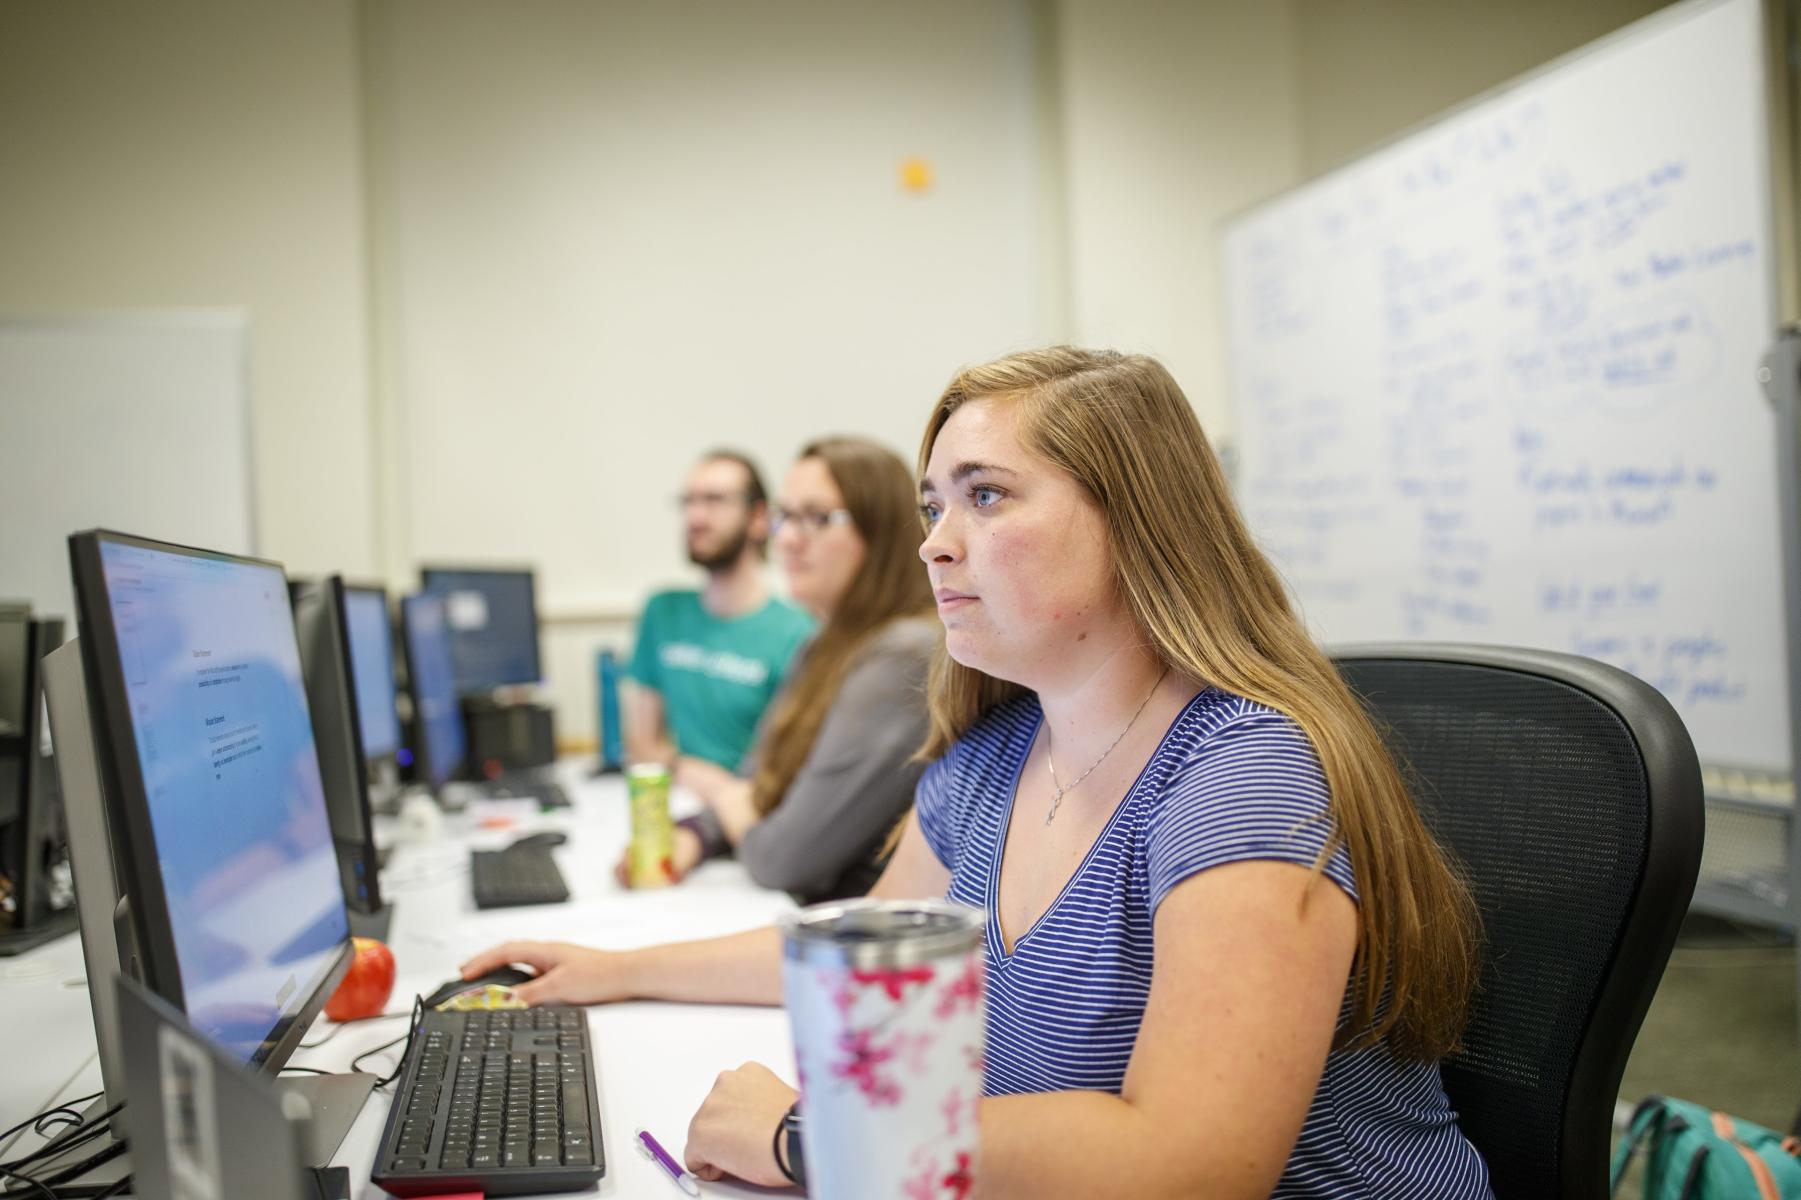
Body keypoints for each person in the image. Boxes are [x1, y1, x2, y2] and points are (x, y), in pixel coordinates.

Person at [464, 349, 1492, 1198]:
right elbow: (853, 952)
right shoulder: (993, 755)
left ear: (1137, 520)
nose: (934, 546)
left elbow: (1194, 1166)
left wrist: (815, 1139)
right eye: (930, 506)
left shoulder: (1240, 775)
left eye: (985, 498)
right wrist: (616, 969)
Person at [623, 437, 939, 902]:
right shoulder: (824, 641)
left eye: (817, 518)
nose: (787, 539)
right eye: (784, 516)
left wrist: (733, 805)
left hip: (852, 939)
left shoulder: (903, 654)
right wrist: (698, 833)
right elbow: (758, 776)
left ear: (882, 531)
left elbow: (781, 859)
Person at [626, 450, 814, 771]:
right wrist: (691, 774)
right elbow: (641, 745)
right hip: (676, 799)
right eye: (689, 501)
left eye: (714, 500)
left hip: (749, 807)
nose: (695, 517)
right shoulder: (662, 611)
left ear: (758, 518)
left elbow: (784, 769)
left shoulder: (798, 634)